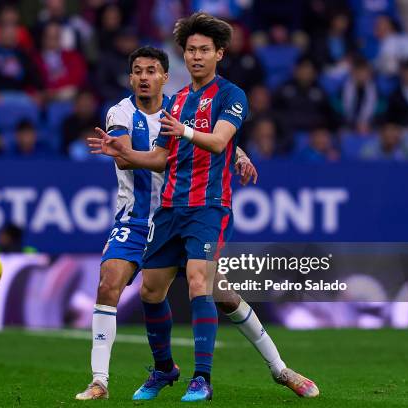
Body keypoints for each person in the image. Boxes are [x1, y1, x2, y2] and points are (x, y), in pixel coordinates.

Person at [88, 13, 318, 402]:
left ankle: (205, 379)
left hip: (208, 206)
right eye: (191, 50)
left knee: (199, 282)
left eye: (204, 50)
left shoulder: (232, 95)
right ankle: (167, 369)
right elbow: (162, 157)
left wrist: (212, 141)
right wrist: (122, 152)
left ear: (219, 54)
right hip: (169, 209)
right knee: (154, 292)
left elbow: (218, 140)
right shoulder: (177, 100)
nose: (196, 56)